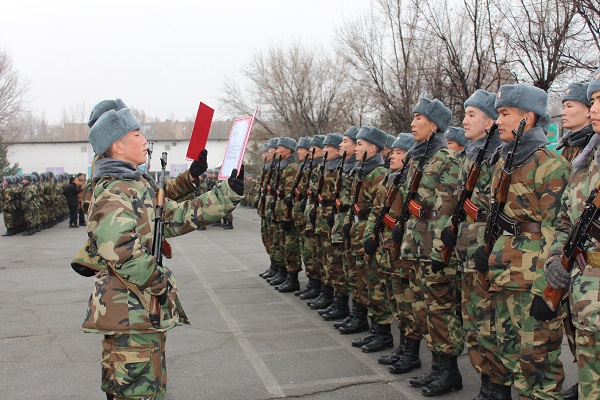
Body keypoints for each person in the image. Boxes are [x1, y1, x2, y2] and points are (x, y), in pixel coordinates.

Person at [81, 107, 244, 400]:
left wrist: (227, 193)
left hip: (140, 311)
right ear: (118, 145)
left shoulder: (135, 185)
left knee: (149, 389)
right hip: (128, 313)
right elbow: (122, 253)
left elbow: (176, 216)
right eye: (136, 134)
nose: (145, 140)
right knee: (136, 392)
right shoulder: (113, 191)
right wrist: (160, 281)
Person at [474, 84, 570, 399]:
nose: (498, 120)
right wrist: (485, 253)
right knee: (512, 358)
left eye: (504, 114)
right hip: (505, 274)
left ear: (527, 117)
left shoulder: (550, 164)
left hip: (534, 283)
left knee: (538, 365)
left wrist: (549, 291)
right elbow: (493, 216)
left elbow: (557, 232)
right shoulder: (506, 162)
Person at [436, 89, 511, 399]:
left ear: (490, 121)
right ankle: (487, 385)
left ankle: (499, 388)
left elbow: (503, 211)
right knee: (474, 324)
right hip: (467, 248)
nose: (464, 120)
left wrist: (489, 248)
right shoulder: (471, 155)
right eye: (464, 114)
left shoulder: (500, 157)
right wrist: (452, 233)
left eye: (471, 114)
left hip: (486, 251)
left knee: (491, 325)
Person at [545, 68, 600, 400]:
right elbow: (565, 218)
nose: (593, 108)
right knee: (590, 377)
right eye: (592, 100)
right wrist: (556, 257)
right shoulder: (587, 161)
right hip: (584, 291)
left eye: (599, 101)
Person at [557, 82, 594, 163]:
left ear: (588, 110)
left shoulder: (594, 148)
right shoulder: (568, 147)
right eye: (564, 107)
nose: (563, 112)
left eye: (569, 106)